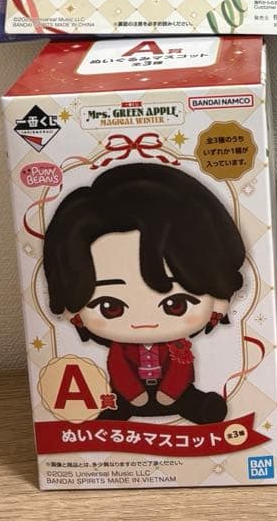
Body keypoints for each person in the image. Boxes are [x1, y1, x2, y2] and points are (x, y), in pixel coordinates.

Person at [44, 163, 245, 424]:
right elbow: (118, 369)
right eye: (110, 307)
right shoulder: (121, 349)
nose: (144, 322)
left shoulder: (178, 346)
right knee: (116, 405)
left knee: (192, 401)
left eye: (175, 304)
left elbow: (180, 369)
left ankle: (199, 408)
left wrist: (169, 393)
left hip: (175, 394)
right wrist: (134, 394)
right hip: (130, 395)